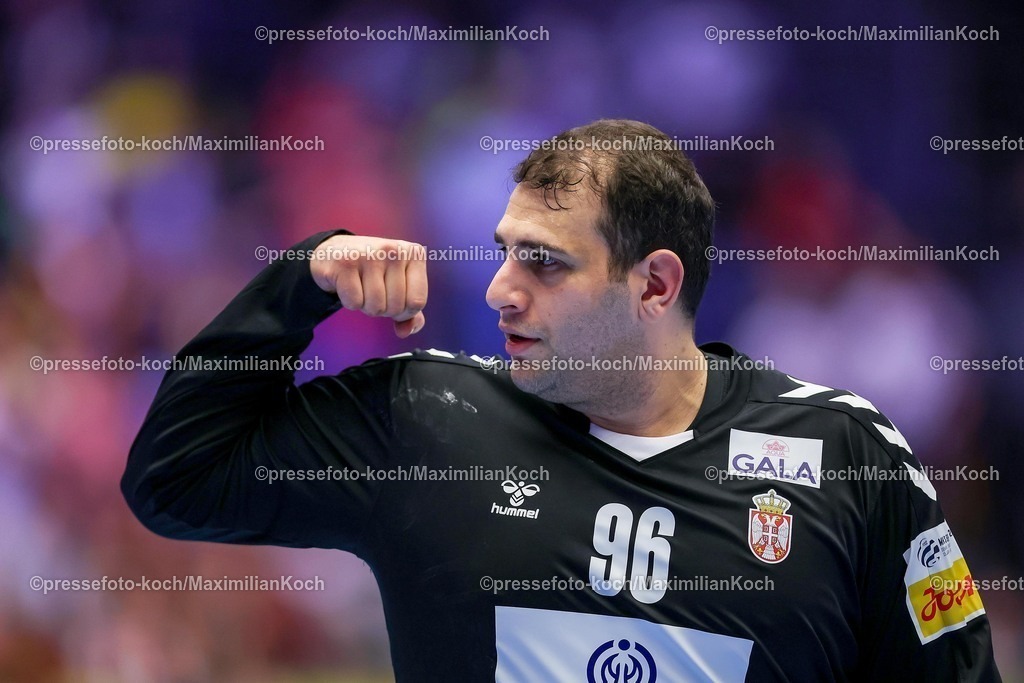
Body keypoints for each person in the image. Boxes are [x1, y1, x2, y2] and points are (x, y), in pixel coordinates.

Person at [122, 119, 1001, 681]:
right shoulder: (428, 417)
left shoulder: (846, 453)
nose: (501, 288)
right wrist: (299, 282)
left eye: (543, 261)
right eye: (504, 250)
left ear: (655, 284)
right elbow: (174, 478)